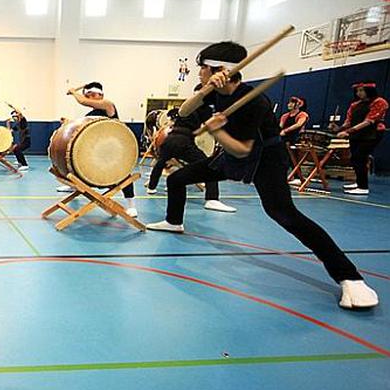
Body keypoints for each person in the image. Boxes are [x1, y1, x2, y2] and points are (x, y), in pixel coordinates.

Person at [145, 41, 379, 310]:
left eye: (202, 69)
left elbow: (244, 150)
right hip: (232, 156)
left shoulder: (253, 101)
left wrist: (217, 131)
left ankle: (350, 277)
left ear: (217, 69)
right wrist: (208, 90)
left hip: (266, 159)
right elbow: (185, 110)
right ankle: (174, 221)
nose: (199, 74)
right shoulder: (216, 91)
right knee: (176, 179)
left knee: (284, 214)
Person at [146, 92, 236, 214]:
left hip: (169, 138)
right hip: (184, 140)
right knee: (210, 166)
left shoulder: (187, 105)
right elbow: (209, 125)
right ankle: (212, 199)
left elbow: (172, 114)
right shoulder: (204, 108)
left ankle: (151, 187)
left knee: (161, 162)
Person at [64, 82, 138, 217]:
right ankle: (73, 185)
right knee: (76, 162)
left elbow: (82, 101)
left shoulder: (108, 105)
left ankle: (131, 206)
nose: (89, 97)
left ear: (100, 94)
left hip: (115, 146)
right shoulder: (91, 114)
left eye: (91, 95)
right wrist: (68, 122)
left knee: (122, 174)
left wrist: (74, 92)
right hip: (98, 148)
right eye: (87, 95)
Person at [337, 82, 387, 196]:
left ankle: (363, 187)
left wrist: (348, 131)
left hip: (372, 133)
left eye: (361, 90)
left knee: (360, 157)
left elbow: (369, 121)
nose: (359, 93)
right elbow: (348, 121)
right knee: (354, 158)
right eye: (357, 91)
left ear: (369, 91)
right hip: (356, 134)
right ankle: (358, 182)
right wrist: (339, 128)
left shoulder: (379, 102)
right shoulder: (355, 105)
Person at [7, 106, 30, 171]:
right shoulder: (17, 124)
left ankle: (25, 165)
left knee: (17, 149)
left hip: (26, 141)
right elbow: (10, 131)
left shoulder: (23, 120)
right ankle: (20, 162)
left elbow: (20, 114)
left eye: (15, 116)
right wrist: (8, 123)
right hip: (22, 141)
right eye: (13, 117)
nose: (14, 118)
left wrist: (13, 107)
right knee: (15, 149)